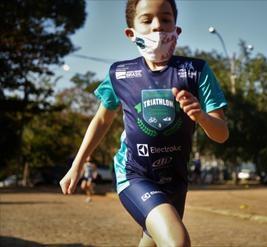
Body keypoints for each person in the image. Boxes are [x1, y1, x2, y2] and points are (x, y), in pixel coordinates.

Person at [59, 0, 229, 246]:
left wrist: (201, 116)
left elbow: (221, 134)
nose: (158, 27)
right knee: (176, 241)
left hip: (175, 178)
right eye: (147, 20)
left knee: (152, 241)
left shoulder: (197, 71)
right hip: (134, 174)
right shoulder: (119, 74)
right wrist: (77, 165)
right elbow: (102, 119)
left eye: (166, 19)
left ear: (176, 29)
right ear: (131, 33)